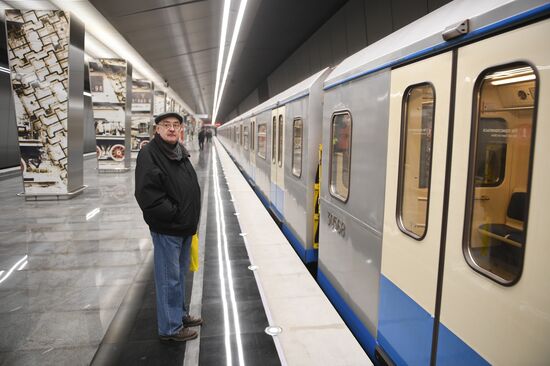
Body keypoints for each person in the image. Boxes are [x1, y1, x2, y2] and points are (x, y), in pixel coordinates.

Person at [134, 112, 203, 342]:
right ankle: (170, 328)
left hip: (183, 227)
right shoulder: (149, 153)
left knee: (179, 276)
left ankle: (180, 315)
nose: (172, 129)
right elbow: (147, 194)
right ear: (157, 129)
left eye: (176, 125)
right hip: (168, 228)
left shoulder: (178, 150)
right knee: (168, 279)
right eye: (167, 125)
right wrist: (173, 213)